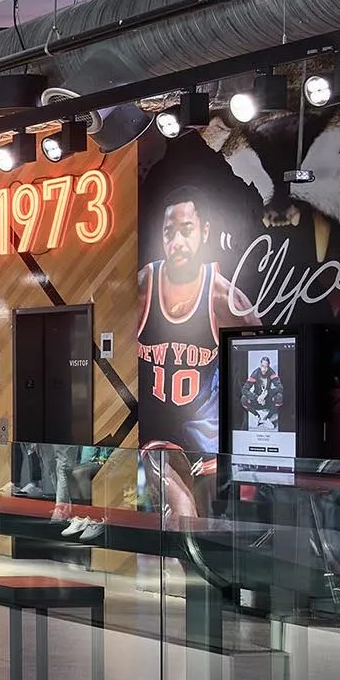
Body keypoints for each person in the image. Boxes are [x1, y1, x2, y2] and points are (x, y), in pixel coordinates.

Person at [134, 185, 257, 517]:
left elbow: (262, 364)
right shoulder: (143, 286)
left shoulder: (223, 297)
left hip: (206, 432)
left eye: (186, 230)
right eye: (168, 232)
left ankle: (189, 567)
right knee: (183, 509)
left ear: (204, 231)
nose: (177, 242)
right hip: (157, 429)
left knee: (202, 521)